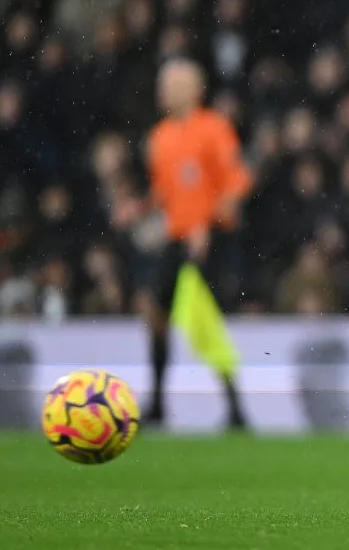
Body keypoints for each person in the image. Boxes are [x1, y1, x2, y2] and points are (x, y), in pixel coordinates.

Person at [143, 57, 252, 429]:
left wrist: (208, 222)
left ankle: (236, 408)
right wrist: (141, 206)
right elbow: (166, 188)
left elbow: (236, 180)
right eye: (162, 82)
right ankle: (157, 403)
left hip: (210, 239)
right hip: (177, 239)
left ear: (194, 89)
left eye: (171, 83)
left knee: (204, 322)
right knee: (155, 314)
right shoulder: (160, 136)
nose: (163, 90)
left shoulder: (214, 128)